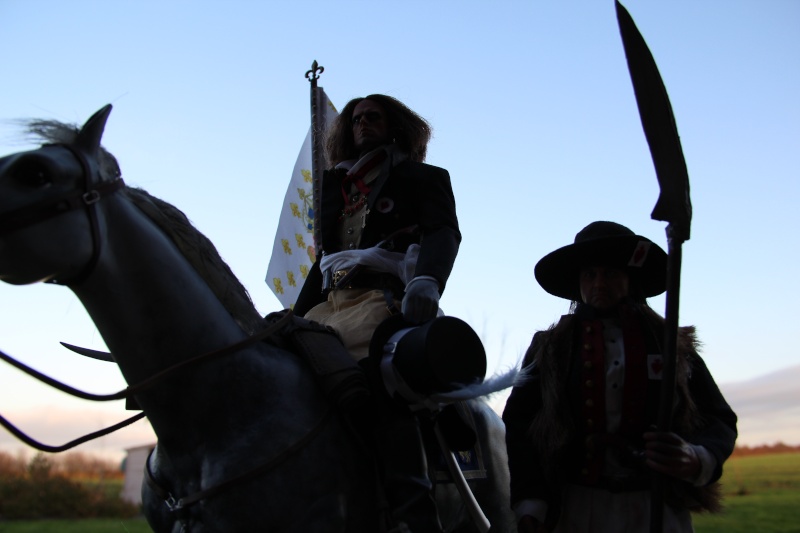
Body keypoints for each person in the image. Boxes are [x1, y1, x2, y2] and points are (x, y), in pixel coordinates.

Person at [294, 94, 462, 533]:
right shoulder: (338, 190)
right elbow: (324, 261)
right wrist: (291, 318)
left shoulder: (423, 178)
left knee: (381, 373)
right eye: (356, 120)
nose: (363, 124)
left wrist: (428, 279)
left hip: (382, 300)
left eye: (373, 117)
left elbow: (442, 231)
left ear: (395, 126)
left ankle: (413, 510)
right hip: (328, 304)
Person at [502, 221, 737, 533]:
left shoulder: (670, 344)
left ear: (630, 278)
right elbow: (520, 425)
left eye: (610, 273)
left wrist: (696, 458)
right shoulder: (550, 348)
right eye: (590, 274)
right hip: (575, 507)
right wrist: (531, 500)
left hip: (656, 506)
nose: (599, 283)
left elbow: (718, 417)